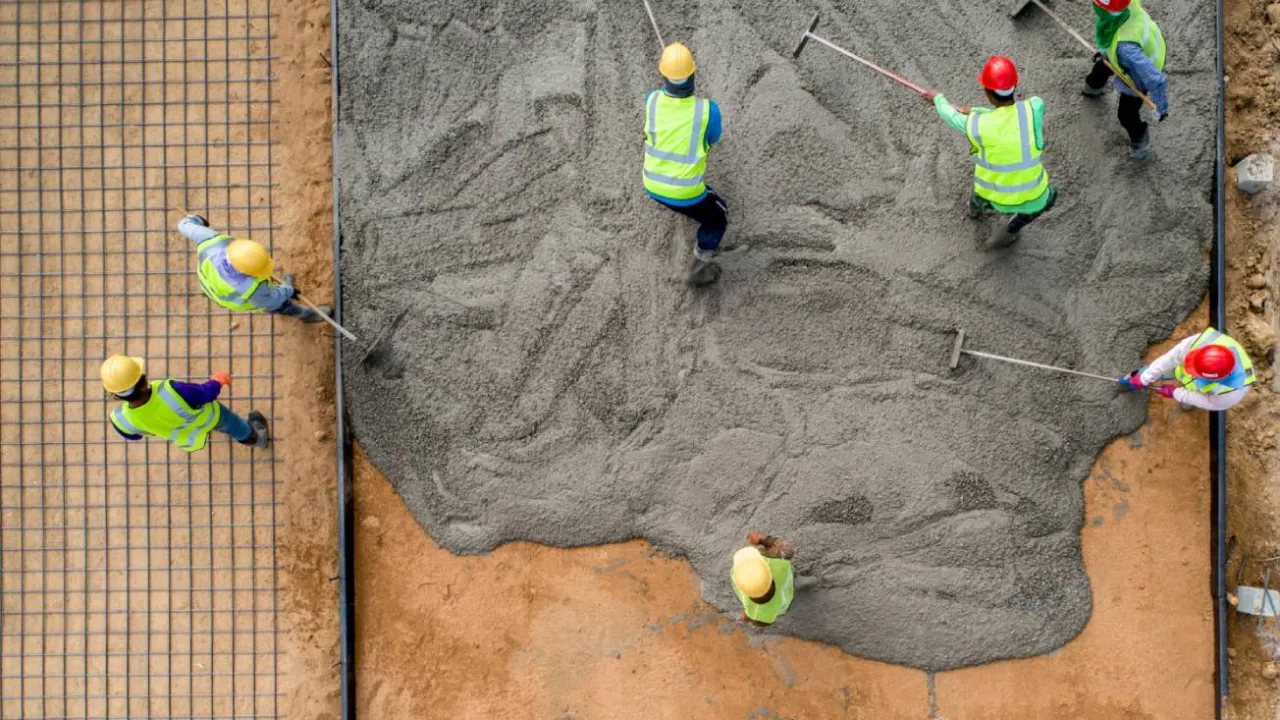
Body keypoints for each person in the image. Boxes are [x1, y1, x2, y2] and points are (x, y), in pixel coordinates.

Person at [925, 56, 1057, 249]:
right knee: (1049, 197)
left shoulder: (977, 124)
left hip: (993, 195)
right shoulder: (1034, 107)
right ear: (1015, 86)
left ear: (988, 93)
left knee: (980, 192)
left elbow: (951, 116)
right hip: (1031, 198)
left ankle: (974, 209)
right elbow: (1012, 113)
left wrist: (938, 99)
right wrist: (975, 111)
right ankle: (1010, 230)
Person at [642, 42, 726, 286]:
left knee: (687, 203)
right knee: (718, 216)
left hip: (651, 184)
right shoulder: (709, 111)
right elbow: (713, 138)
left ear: (663, 76)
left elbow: (656, 99)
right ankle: (697, 269)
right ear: (693, 74)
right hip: (687, 192)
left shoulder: (651, 101)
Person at [179, 214, 331, 321]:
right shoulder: (252, 289)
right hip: (232, 298)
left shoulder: (211, 241)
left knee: (272, 293)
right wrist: (288, 290)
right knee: (281, 305)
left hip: (209, 283)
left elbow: (184, 225)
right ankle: (303, 315)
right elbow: (272, 300)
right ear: (246, 273)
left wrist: (196, 220)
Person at [102, 354, 270, 451]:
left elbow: (134, 435)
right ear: (143, 382)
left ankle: (247, 437)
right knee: (232, 424)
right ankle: (255, 438)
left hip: (187, 434)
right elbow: (206, 393)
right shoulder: (171, 391)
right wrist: (218, 380)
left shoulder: (121, 419)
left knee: (208, 425)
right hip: (211, 417)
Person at [1082, 0, 1168, 160]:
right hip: (1141, 46)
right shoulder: (1127, 3)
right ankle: (1093, 85)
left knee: (1126, 114)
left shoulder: (1125, 49)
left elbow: (1154, 79)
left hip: (1138, 75)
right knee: (1103, 64)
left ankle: (1140, 140)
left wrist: (1160, 106)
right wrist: (1105, 50)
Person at [1119, 327, 1255, 411]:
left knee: (1192, 398)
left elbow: (1208, 401)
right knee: (1161, 369)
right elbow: (1170, 358)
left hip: (1201, 390)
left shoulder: (1232, 394)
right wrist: (1144, 378)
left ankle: (1187, 398)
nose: (1190, 370)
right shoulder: (1201, 342)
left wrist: (1177, 393)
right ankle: (1138, 378)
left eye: (1194, 371)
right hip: (1180, 369)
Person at [731, 532, 795, 626]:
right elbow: (787, 550)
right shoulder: (778, 563)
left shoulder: (740, 579)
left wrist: (748, 613)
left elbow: (763, 622)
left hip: (778, 608)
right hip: (785, 592)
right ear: (768, 569)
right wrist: (763, 540)